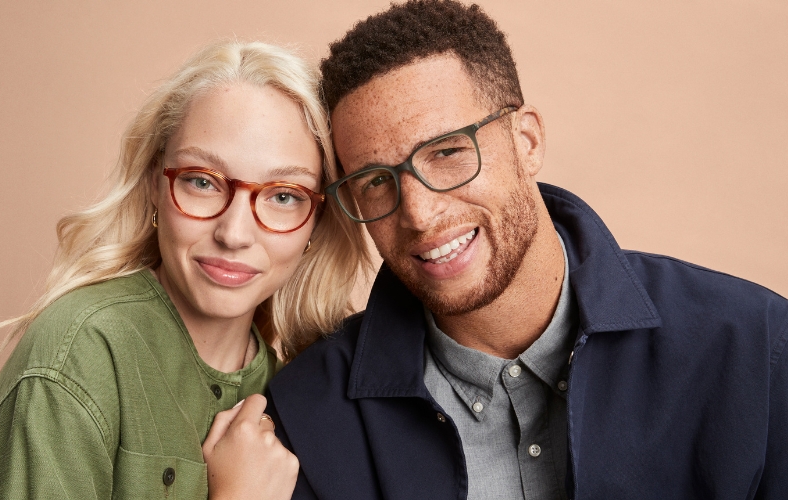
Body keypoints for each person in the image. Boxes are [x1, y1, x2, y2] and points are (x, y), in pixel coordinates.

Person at [265, 1, 788, 498]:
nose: (419, 215)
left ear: (527, 141)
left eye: (447, 152)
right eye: (376, 181)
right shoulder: (306, 418)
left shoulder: (755, 348)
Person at [0, 40, 370, 500]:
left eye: (284, 196)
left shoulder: (296, 389)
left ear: (317, 221)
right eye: (202, 182)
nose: (234, 233)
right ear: (154, 183)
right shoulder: (81, 352)